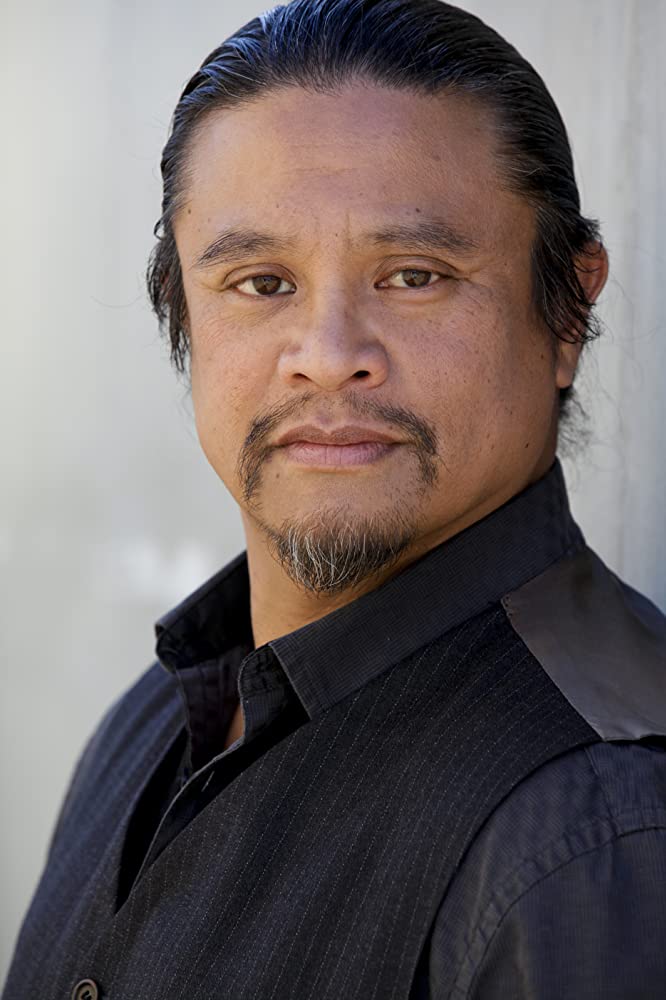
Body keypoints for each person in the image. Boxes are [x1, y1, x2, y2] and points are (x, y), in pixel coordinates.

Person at [4, 1, 665, 998]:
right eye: (262, 282)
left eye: (413, 275)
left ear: (567, 313)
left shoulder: (588, 829)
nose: (327, 355)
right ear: (181, 310)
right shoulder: (154, 722)